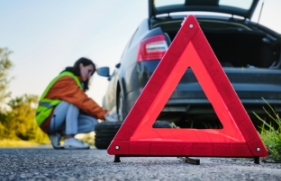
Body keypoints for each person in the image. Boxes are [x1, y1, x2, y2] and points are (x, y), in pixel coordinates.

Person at [35, 57, 117, 149]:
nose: (89, 75)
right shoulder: (67, 78)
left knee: (92, 122)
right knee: (73, 101)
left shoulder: (76, 81)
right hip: (46, 118)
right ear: (81, 66)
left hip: (56, 118)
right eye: (89, 70)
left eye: (91, 73)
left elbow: (83, 107)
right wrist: (104, 114)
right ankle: (70, 139)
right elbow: (82, 100)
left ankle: (58, 133)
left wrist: (98, 115)